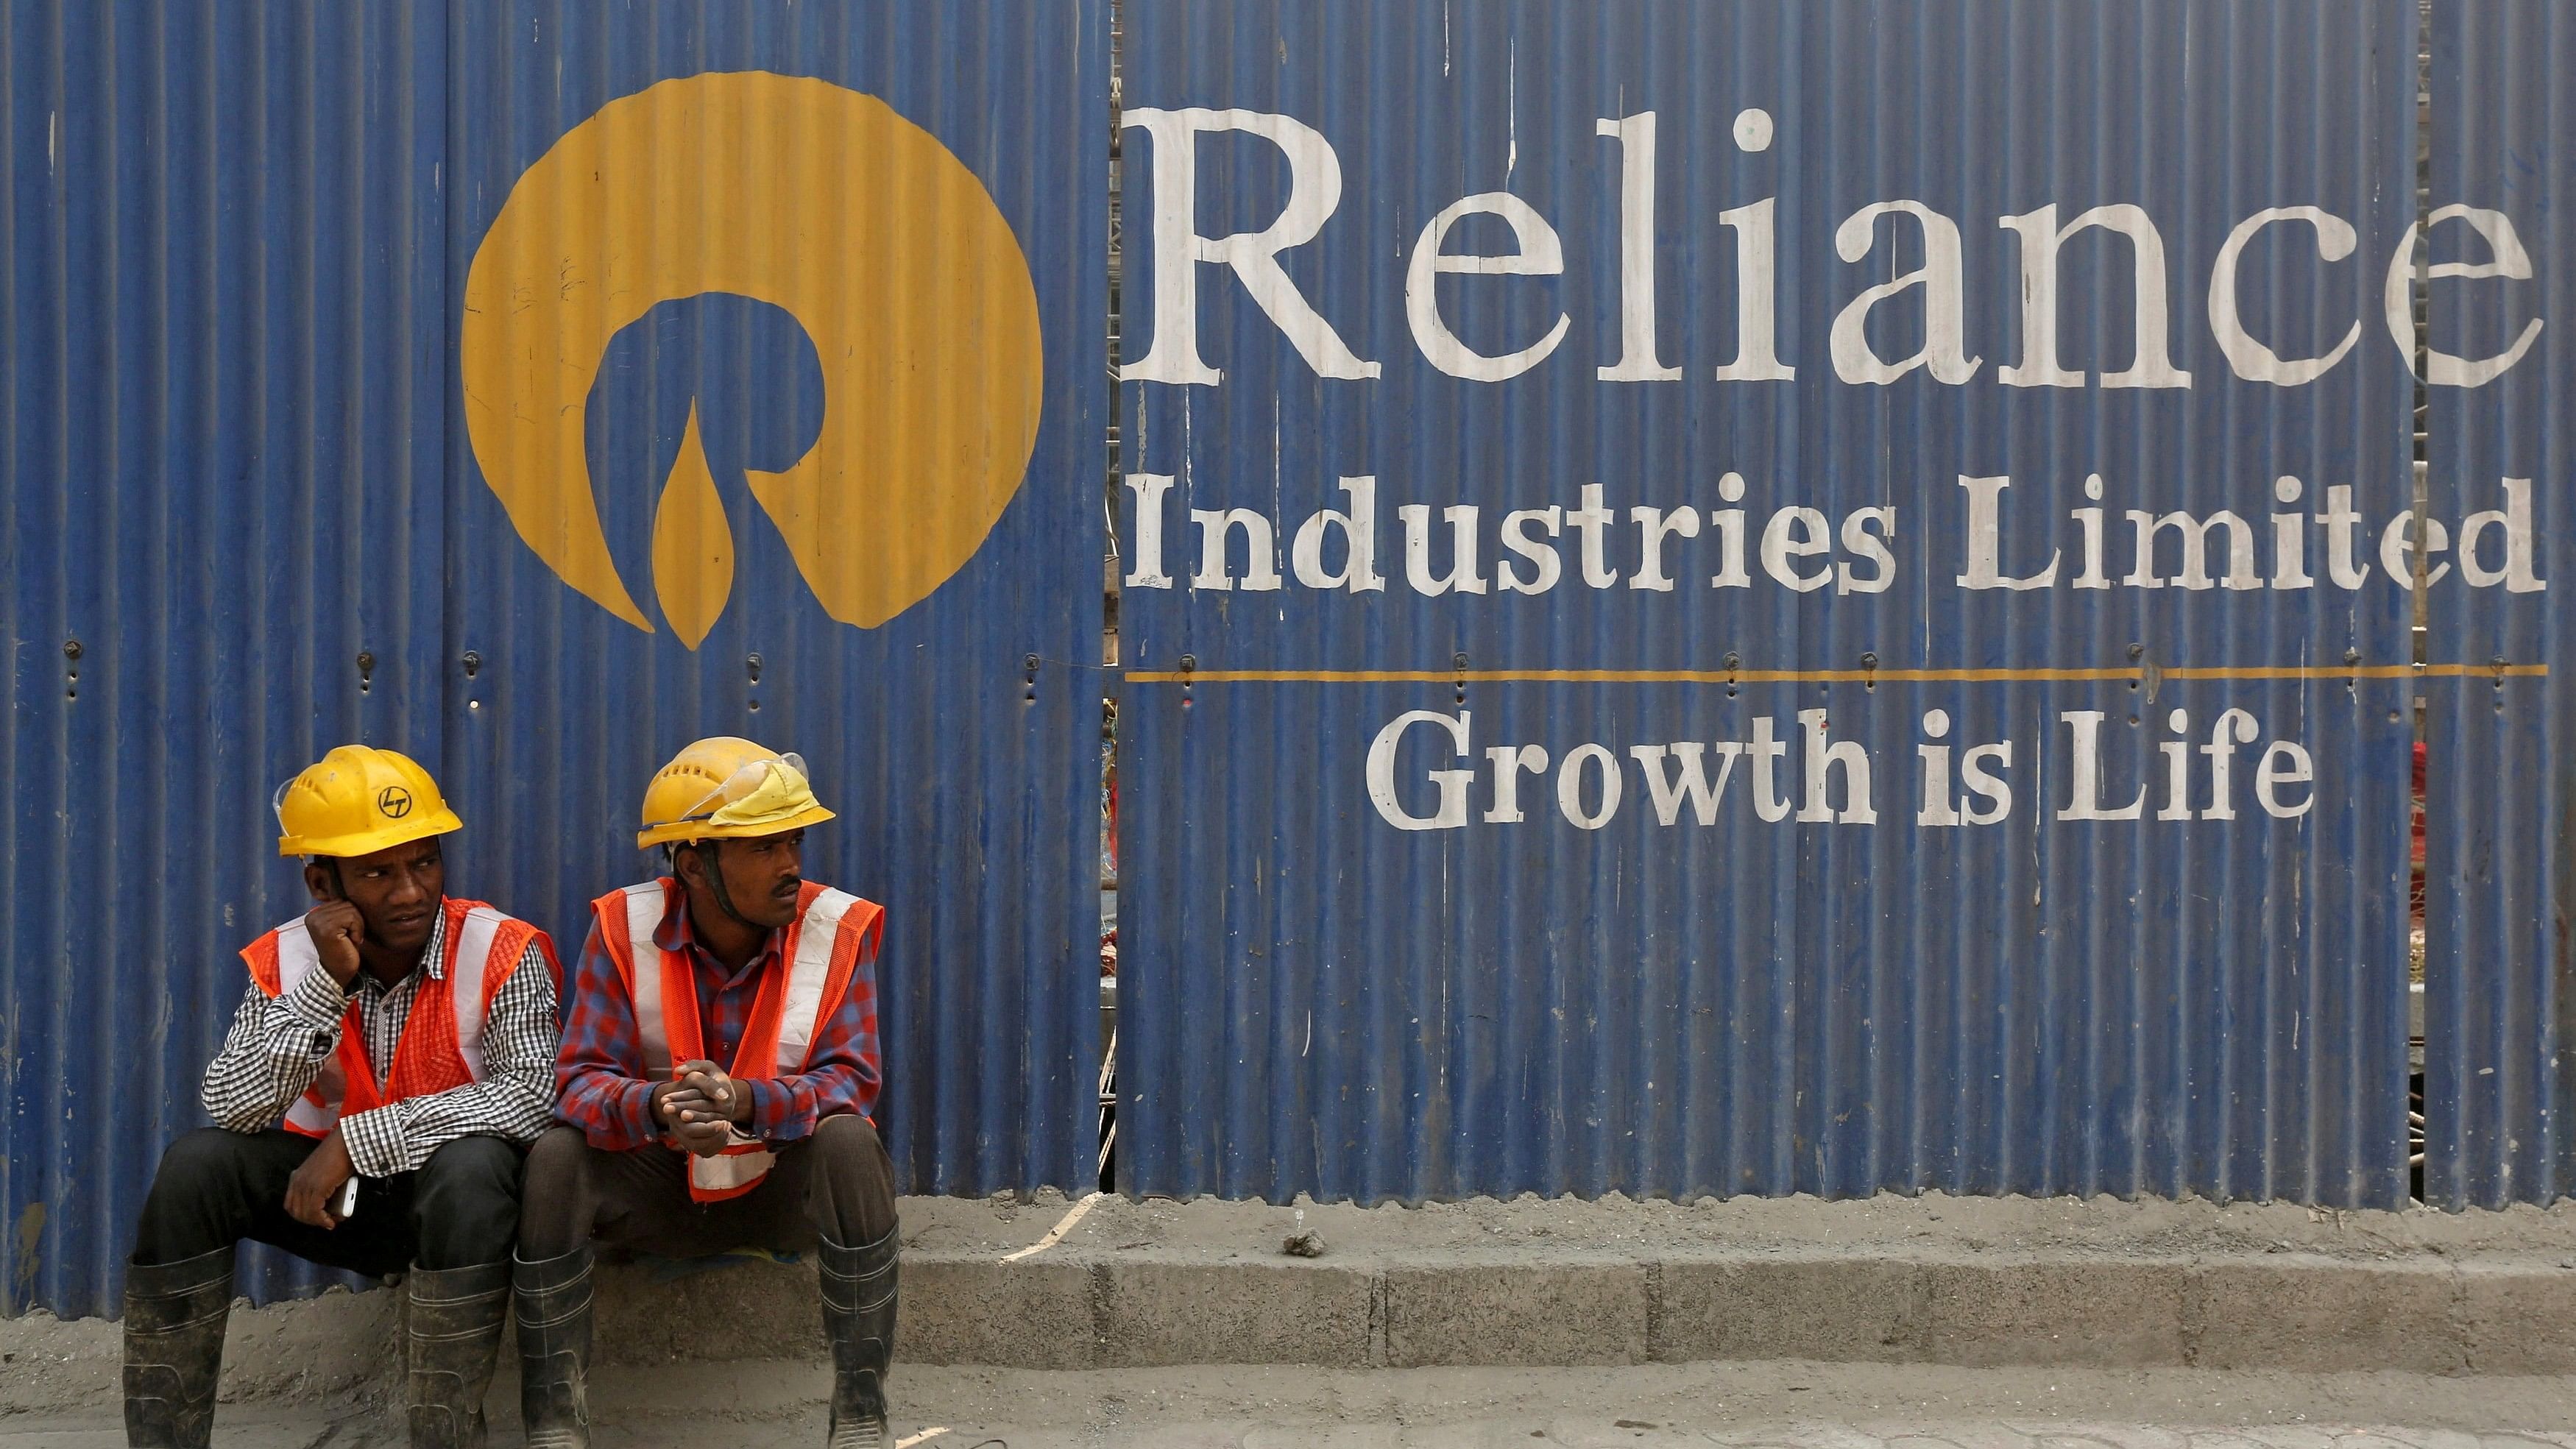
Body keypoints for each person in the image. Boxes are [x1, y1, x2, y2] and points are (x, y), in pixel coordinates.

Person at [122, 746, 560, 1449]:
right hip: (331, 1206)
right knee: (194, 1166)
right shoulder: (291, 958)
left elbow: (534, 1098)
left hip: (454, 1209)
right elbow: (234, 1106)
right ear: (323, 883)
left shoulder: (504, 948)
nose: (410, 891)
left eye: (424, 862)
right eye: (378, 873)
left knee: (476, 1169)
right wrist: (326, 984)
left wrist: (358, 1142)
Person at [515, 737, 899, 1449]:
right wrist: (658, 1107)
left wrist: (747, 1101)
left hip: (779, 1191)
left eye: (794, 840)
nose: (791, 863)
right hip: (659, 1189)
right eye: (763, 847)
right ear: (693, 865)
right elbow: (578, 1080)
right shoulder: (623, 928)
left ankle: (861, 1413)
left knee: (851, 1140)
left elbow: (853, 1079)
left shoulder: (833, 929)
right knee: (554, 1156)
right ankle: (554, 1426)